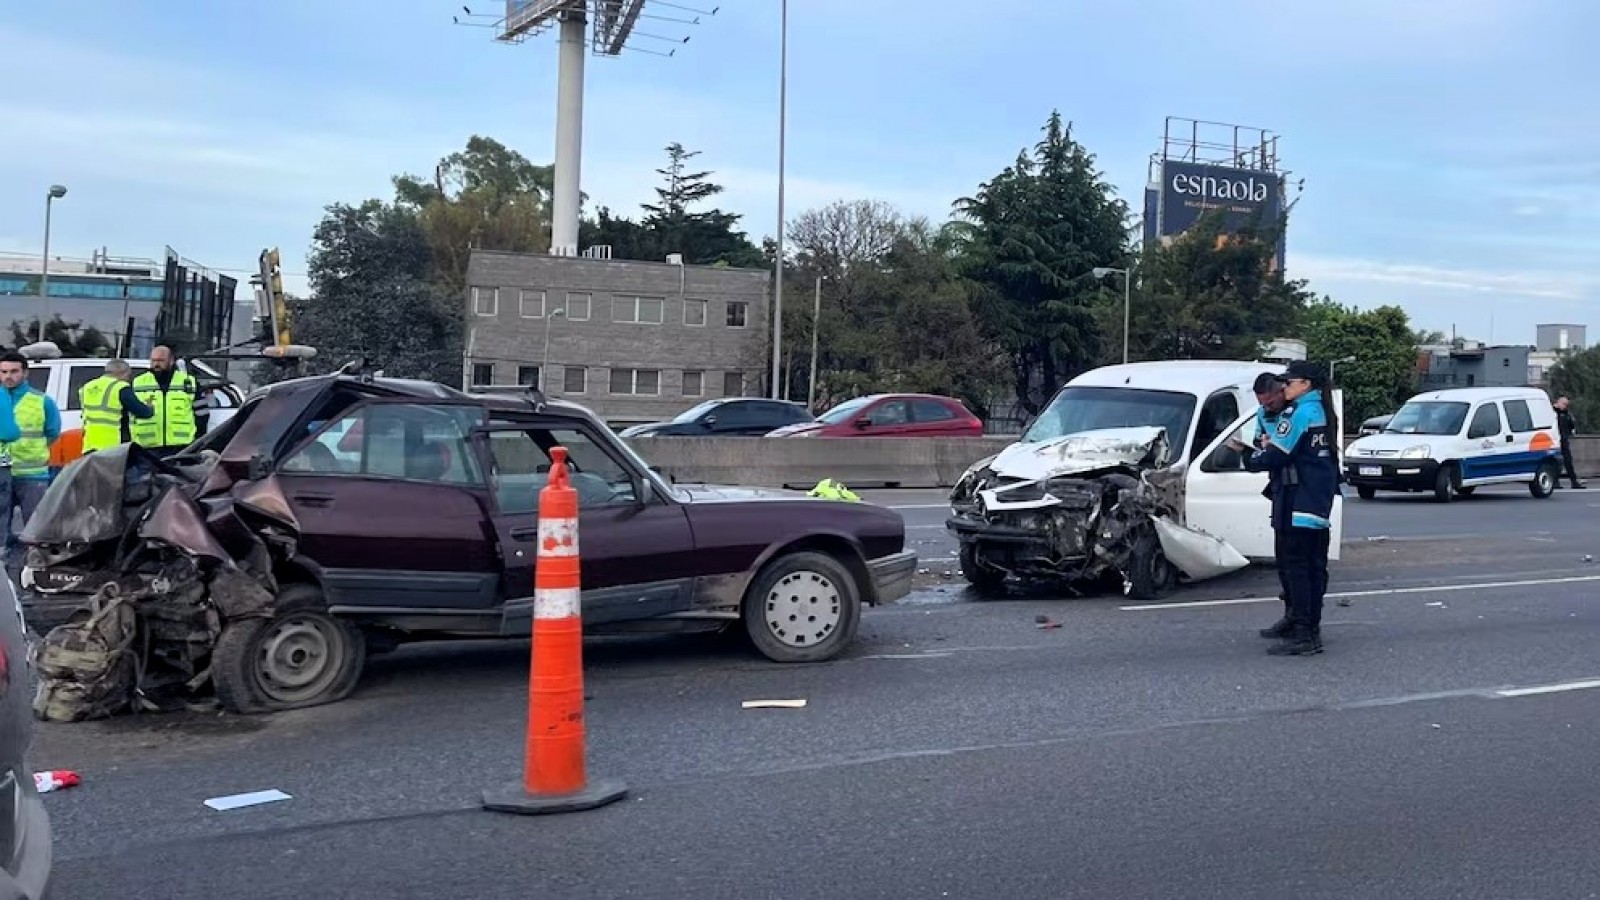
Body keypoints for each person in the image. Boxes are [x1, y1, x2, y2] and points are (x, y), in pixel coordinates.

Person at [1245, 360, 1341, 656]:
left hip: (1300, 499)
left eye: (1289, 382)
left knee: (1299, 566)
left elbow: (1275, 455)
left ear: (1306, 384)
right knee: (1305, 566)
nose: (1284, 387)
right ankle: (1300, 622)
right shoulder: (1319, 410)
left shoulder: (1301, 412)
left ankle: (1305, 632)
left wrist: (1250, 457)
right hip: (1308, 498)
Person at [1230, 371, 1293, 638]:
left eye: (1269, 403)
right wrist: (1258, 445)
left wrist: (1259, 452)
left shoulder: (1295, 414)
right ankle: (1291, 616)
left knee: (1298, 564)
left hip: (1298, 490)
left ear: (1281, 391)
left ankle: (1302, 623)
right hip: (1280, 489)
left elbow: (1270, 455)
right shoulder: (1264, 414)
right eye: (1262, 403)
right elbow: (1258, 440)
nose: (1266, 408)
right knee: (1285, 562)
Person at [0, 351, 61, 568]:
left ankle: (35, 573)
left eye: (14, 371)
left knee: (35, 530)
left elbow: (53, 432)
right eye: (4, 371)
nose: (8, 376)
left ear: (25, 373)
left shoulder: (42, 401)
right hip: (2, 473)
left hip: (31, 474)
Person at [130, 345, 199, 458]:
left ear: (171, 361)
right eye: (153, 361)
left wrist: (197, 440)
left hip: (181, 447)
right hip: (147, 447)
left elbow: (202, 412)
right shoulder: (138, 382)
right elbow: (128, 413)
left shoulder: (188, 382)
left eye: (161, 361)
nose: (156, 364)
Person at [79, 358, 155, 453]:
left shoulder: (87, 387)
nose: (128, 379)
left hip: (90, 446)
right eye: (128, 375)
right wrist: (150, 407)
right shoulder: (121, 387)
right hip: (114, 446)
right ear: (122, 372)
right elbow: (142, 412)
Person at [1553, 396, 1585, 489]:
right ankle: (1555, 482)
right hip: (1555, 440)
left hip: (1564, 439)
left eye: (1566, 405)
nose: (1565, 406)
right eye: (1563, 404)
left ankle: (1574, 482)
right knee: (1555, 461)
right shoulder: (1552, 412)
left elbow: (1571, 425)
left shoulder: (1566, 414)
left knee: (1568, 461)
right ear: (1558, 402)